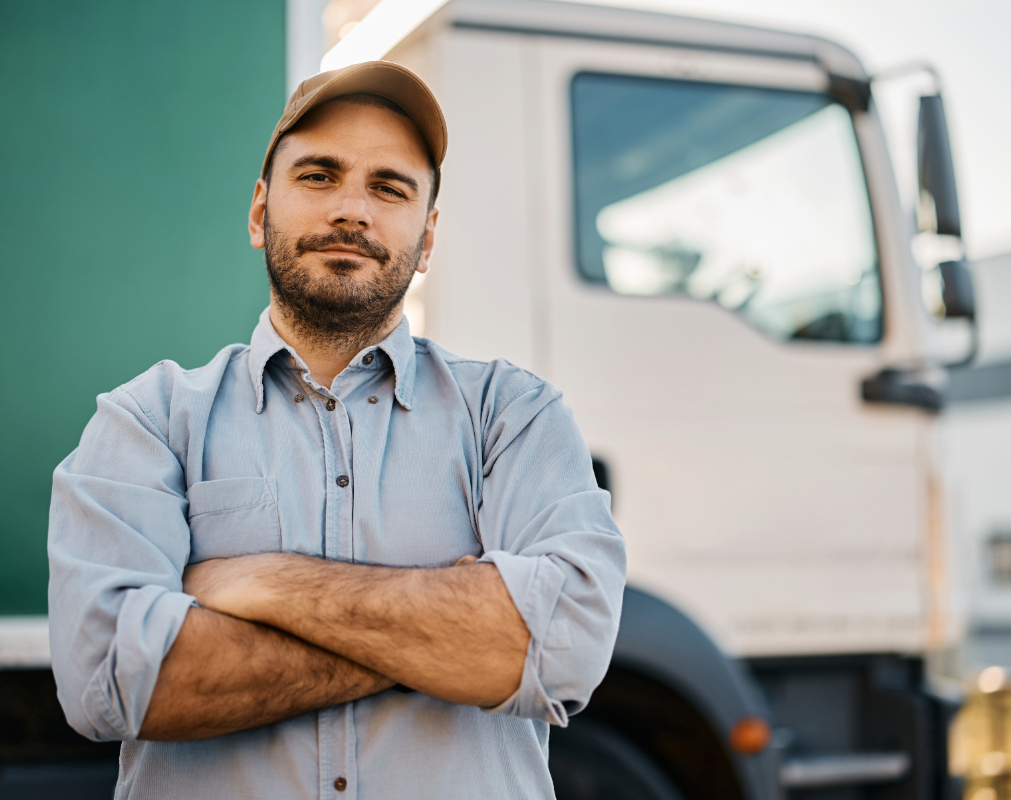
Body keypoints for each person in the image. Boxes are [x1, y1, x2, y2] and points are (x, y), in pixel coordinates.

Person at [47, 61, 626, 799]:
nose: (352, 209)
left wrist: (254, 581)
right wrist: (447, 634)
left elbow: (567, 647)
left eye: (389, 187)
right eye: (318, 175)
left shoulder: (514, 415)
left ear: (427, 239)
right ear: (260, 212)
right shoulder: (148, 419)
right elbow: (109, 682)